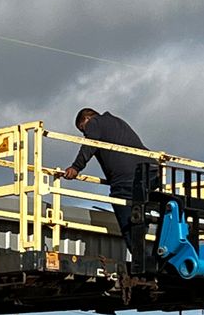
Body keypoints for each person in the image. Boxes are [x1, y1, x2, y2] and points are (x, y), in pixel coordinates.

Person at [62, 108, 155, 253]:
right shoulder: (117, 122)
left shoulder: (94, 123)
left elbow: (90, 144)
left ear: (86, 119)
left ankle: (141, 259)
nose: (84, 133)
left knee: (126, 217)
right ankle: (149, 244)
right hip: (151, 171)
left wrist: (76, 167)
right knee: (141, 212)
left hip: (128, 177)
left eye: (82, 129)